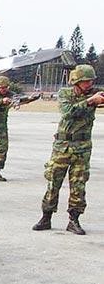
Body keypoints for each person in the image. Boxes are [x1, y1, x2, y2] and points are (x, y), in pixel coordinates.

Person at [32, 64, 102, 235]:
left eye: (91, 80)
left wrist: (94, 98)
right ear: (76, 81)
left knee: (79, 184)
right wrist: (90, 101)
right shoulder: (65, 94)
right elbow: (67, 111)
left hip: (83, 147)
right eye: (86, 81)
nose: (89, 84)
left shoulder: (94, 93)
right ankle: (46, 217)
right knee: (53, 180)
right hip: (62, 146)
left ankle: (74, 220)